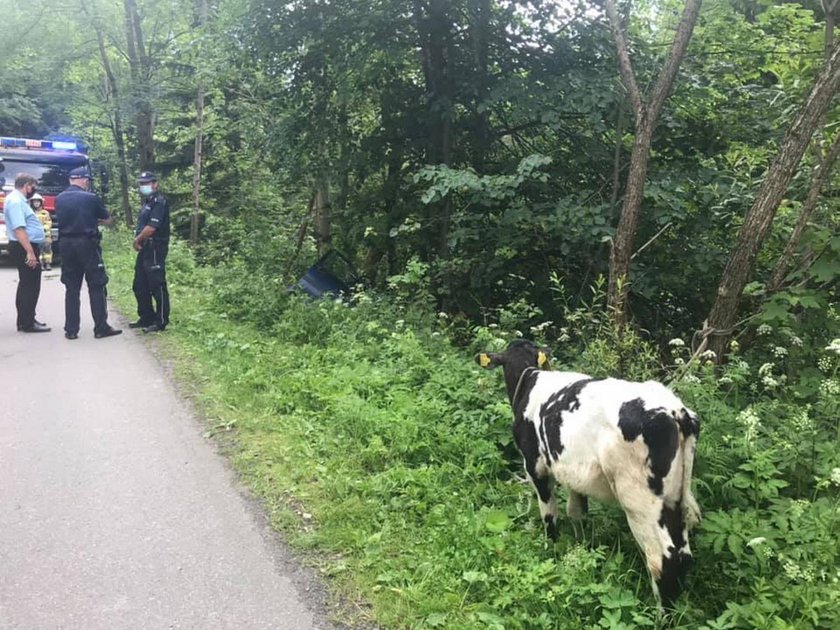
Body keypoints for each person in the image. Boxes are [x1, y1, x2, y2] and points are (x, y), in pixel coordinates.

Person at [54, 167, 121, 340]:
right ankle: (100, 327)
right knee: (97, 285)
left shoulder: (59, 198)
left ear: (70, 180)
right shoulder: (91, 198)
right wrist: (94, 219)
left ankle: (71, 329)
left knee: (72, 287)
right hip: (87, 244)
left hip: (66, 245)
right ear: (85, 180)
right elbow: (108, 219)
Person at [3, 173, 49, 333]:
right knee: (30, 285)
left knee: (26, 284)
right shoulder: (16, 201)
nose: (33, 190)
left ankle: (25, 319)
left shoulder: (17, 200)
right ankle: (27, 323)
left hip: (23, 245)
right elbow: (19, 229)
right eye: (33, 187)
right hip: (23, 246)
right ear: (27, 185)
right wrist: (30, 252)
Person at [131, 171, 170, 333]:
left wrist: (137, 239)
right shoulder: (147, 202)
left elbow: (152, 227)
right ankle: (146, 317)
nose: (143, 186)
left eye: (147, 183)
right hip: (145, 248)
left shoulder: (159, 202)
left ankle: (161, 321)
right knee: (139, 285)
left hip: (155, 248)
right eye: (141, 183)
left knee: (157, 284)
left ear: (155, 184)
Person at [30, 193, 53, 270]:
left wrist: (44, 228)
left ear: (41, 202)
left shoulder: (45, 213)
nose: (36, 203)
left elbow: (48, 222)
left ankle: (48, 263)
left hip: (46, 236)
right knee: (38, 251)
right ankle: (41, 264)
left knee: (47, 250)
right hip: (35, 236)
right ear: (32, 203)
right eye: (34, 202)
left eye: (38, 202)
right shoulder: (31, 213)